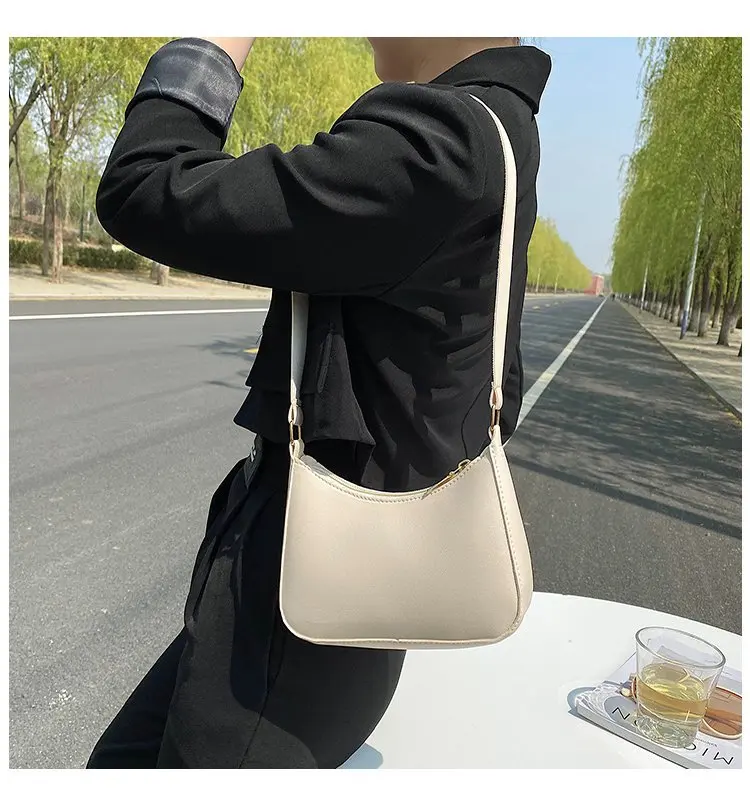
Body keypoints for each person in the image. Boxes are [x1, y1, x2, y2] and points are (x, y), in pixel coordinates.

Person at [86, 36, 551, 769]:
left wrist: (213, 44)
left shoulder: (438, 141)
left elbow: (145, 188)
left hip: (292, 623)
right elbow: (502, 389)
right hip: (352, 595)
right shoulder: (503, 133)